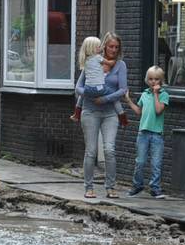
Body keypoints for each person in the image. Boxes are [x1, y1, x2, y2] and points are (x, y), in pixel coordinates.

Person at [78, 32, 129, 199]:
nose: (114, 50)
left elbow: (122, 90)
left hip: (110, 113)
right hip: (90, 111)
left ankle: (110, 187)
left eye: (116, 47)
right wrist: (89, 95)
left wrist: (105, 98)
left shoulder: (120, 65)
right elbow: (78, 87)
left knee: (109, 149)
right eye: (111, 46)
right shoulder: (92, 61)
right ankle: (88, 187)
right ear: (104, 47)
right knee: (91, 151)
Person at [129, 65, 169, 198]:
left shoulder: (164, 95)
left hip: (157, 134)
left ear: (161, 81)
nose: (153, 82)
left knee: (156, 163)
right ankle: (137, 185)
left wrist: (156, 94)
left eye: (157, 79)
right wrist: (128, 100)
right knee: (140, 161)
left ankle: (155, 188)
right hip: (143, 133)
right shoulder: (144, 95)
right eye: (151, 79)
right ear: (147, 80)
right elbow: (139, 112)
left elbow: (158, 110)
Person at [70, 37, 121, 122]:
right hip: (99, 88)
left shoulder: (86, 60)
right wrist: (114, 62)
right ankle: (121, 115)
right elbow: (110, 63)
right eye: (98, 46)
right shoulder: (98, 58)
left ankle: (76, 113)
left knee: (81, 96)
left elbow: (78, 88)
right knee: (113, 95)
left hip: (88, 88)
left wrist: (88, 96)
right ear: (92, 49)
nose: (100, 48)